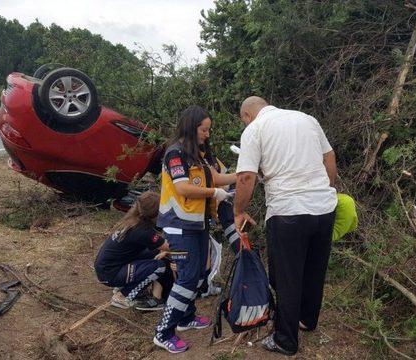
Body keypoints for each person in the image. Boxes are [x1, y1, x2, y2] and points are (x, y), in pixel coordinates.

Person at [233, 96, 337, 355]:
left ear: (247, 115)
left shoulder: (254, 129)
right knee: (315, 269)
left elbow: (246, 176)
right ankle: (307, 320)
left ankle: (285, 340)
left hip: (288, 212)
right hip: (324, 207)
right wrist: (326, 189)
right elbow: (329, 157)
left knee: (287, 278)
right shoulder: (306, 119)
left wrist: (239, 210)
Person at [153, 105, 236, 354]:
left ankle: (186, 317)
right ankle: (163, 332)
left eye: (208, 129)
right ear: (191, 127)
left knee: (198, 273)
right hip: (178, 226)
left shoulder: (196, 154)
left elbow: (217, 178)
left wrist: (245, 174)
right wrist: (213, 193)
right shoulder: (175, 154)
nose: (207, 134)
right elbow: (183, 189)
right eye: (204, 129)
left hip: (197, 224)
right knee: (188, 277)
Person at [94, 191, 173, 311]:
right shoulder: (142, 231)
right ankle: (123, 296)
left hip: (107, 266)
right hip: (110, 273)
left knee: (156, 253)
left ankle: (134, 286)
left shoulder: (133, 219)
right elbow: (169, 246)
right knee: (159, 266)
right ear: (155, 213)